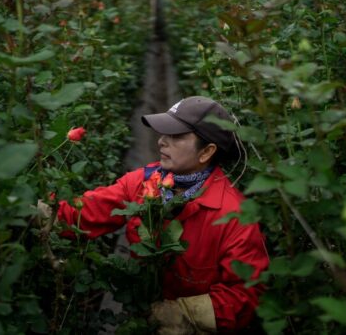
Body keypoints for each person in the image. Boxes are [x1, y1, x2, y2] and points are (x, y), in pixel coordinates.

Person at [47, 96, 269, 333]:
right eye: (164, 133)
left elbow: (245, 293)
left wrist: (187, 314)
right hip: (143, 313)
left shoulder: (234, 215)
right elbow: (87, 212)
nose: (162, 141)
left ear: (206, 151)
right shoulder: (143, 182)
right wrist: (41, 210)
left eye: (176, 136)